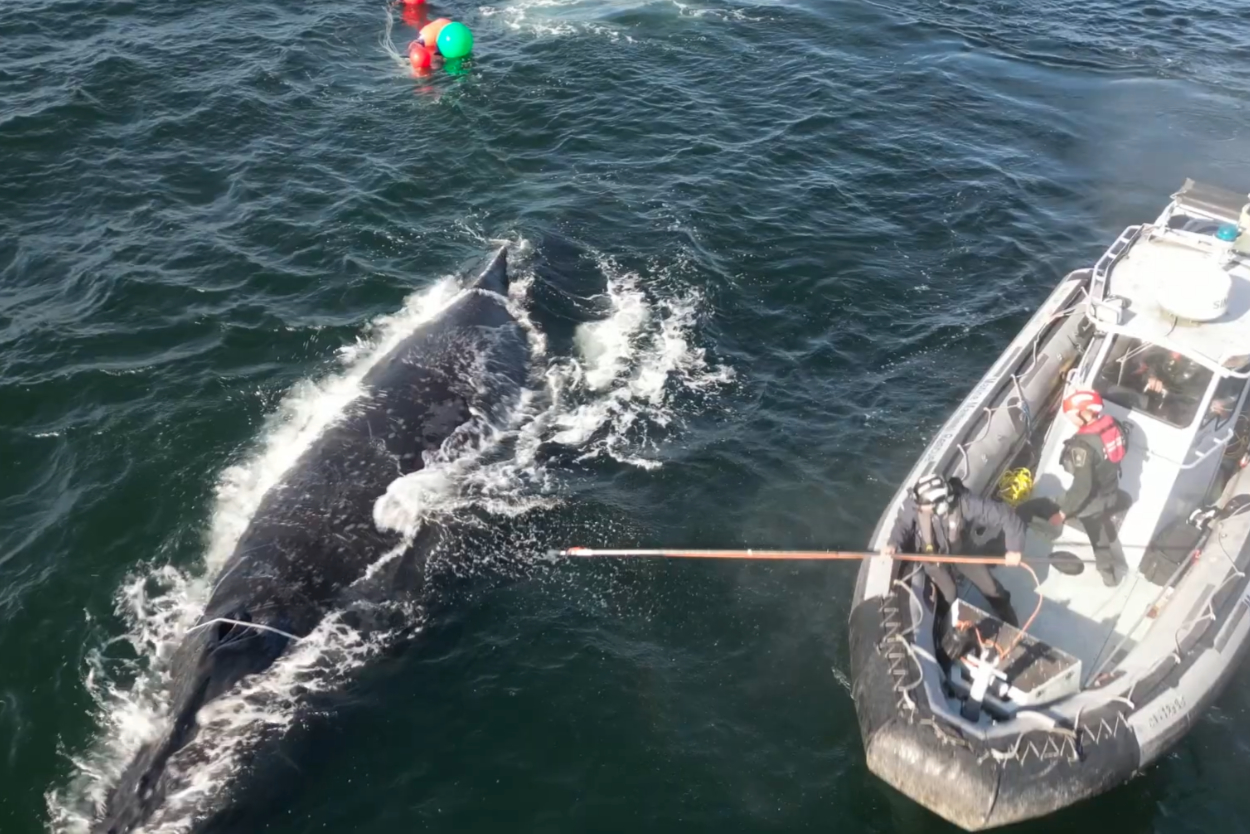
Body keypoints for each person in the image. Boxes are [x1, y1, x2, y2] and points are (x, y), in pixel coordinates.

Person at [879, 473, 1024, 628]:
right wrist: (893, 543)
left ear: (940, 506)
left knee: (992, 589)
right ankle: (946, 623)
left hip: (961, 550)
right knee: (949, 595)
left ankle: (1009, 618)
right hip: (932, 557)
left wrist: (1014, 549)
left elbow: (1006, 516)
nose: (917, 508)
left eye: (923, 507)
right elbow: (902, 524)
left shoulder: (966, 503)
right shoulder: (914, 503)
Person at [1050, 389, 1130, 586]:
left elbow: (1082, 487)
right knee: (1067, 501)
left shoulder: (1082, 445)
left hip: (1094, 501)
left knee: (1098, 538)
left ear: (1082, 413)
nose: (1069, 419)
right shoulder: (1113, 423)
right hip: (1111, 488)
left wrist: (1062, 513)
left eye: (1070, 415)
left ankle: (1108, 574)